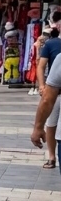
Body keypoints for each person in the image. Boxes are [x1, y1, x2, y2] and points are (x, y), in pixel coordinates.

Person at [37, 27, 61, 167]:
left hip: (54, 90)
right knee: (52, 123)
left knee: (51, 124)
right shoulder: (51, 45)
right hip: (54, 89)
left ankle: (51, 157)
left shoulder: (50, 44)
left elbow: (41, 66)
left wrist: (42, 85)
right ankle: (52, 156)